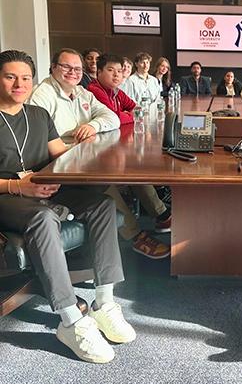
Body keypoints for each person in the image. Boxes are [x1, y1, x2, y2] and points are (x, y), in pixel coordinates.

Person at [0, 49, 135, 363]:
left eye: (24, 78)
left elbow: (61, 154)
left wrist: (90, 163)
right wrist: (17, 186)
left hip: (40, 186)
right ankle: (70, 320)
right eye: (10, 77)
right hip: (7, 195)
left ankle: (104, 303)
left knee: (101, 205)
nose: (18, 84)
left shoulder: (38, 116)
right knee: (43, 218)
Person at [83, 53, 173, 259]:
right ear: (98, 72)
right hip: (92, 155)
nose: (116, 75)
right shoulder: (94, 91)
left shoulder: (115, 92)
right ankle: (135, 235)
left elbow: (135, 109)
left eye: (119, 71)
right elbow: (114, 117)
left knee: (136, 172)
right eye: (110, 70)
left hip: (111, 147)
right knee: (108, 184)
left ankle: (162, 215)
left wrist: (126, 116)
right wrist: (126, 116)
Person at [29, 48, 120, 142]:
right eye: (66, 67)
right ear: (53, 67)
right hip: (59, 155)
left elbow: (113, 118)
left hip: (84, 150)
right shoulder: (41, 95)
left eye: (77, 69)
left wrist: (93, 126)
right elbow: (37, 140)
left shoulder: (83, 93)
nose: (72, 72)